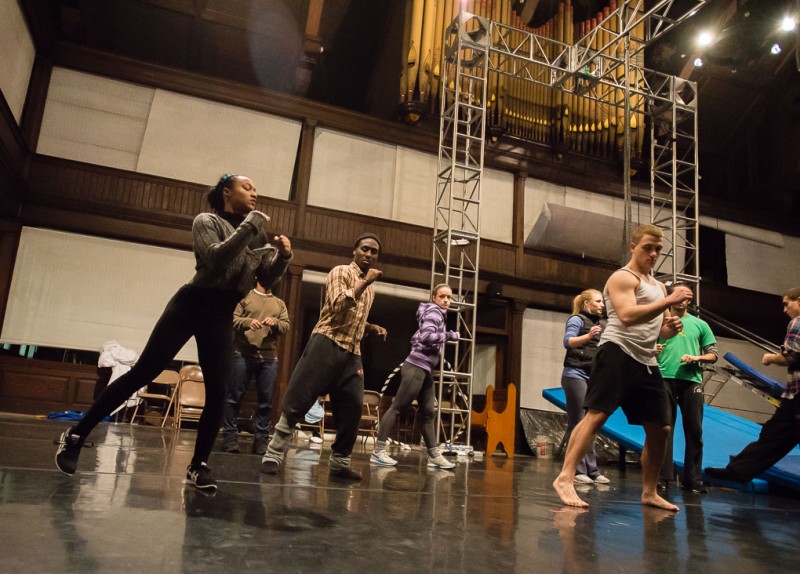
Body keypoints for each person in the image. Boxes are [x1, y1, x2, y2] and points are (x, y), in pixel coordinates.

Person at [55, 174, 292, 491]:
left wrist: (283, 258)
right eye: (247, 187)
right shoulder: (206, 221)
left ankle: (199, 466)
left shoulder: (256, 231)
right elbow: (216, 258)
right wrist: (250, 226)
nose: (254, 193)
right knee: (142, 373)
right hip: (191, 305)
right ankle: (75, 435)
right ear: (227, 192)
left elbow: (266, 277)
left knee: (218, 392)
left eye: (255, 189)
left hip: (221, 313)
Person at [552, 223, 693, 510]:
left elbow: (659, 330)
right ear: (633, 247)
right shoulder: (622, 277)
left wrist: (671, 327)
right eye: (647, 248)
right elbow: (627, 316)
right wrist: (669, 300)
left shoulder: (658, 286)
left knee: (661, 428)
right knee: (596, 416)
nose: (653, 254)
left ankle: (649, 491)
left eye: (658, 250)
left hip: (646, 360)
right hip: (616, 352)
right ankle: (565, 478)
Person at [260, 233, 388, 480]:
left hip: (352, 352)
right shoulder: (341, 272)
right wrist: (365, 282)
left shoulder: (370, 290)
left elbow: (354, 318)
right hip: (326, 343)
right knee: (299, 398)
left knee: (352, 408)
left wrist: (370, 327)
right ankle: (273, 454)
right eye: (365, 249)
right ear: (354, 251)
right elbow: (338, 304)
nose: (369, 254)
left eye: (374, 252)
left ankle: (339, 463)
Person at [704, 287, 800, 484]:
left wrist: (771, 358)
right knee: (777, 435)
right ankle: (738, 471)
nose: (785, 310)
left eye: (786, 304)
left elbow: (791, 357)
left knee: (774, 435)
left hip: (797, 395)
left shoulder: (797, 322)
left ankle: (737, 471)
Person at [370, 284, 459, 470]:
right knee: (397, 407)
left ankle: (433, 455)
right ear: (434, 297)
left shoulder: (438, 314)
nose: (446, 300)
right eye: (442, 296)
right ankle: (378, 451)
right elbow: (426, 336)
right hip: (417, 367)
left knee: (429, 412)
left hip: (425, 369)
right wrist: (450, 335)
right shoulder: (434, 312)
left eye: (449, 297)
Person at [656, 282, 718, 494]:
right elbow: (644, 346)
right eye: (681, 295)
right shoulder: (660, 322)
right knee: (664, 429)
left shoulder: (700, 324)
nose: (685, 299)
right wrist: (654, 349)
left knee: (694, 430)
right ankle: (662, 478)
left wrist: (697, 357)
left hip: (691, 381)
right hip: (664, 378)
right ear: (671, 297)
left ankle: (692, 480)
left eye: (688, 296)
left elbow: (713, 354)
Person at [221, 276, 290, 456]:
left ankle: (261, 439)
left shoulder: (279, 303)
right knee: (234, 397)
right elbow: (233, 319)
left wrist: (275, 323)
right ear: (258, 275)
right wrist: (248, 322)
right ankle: (229, 437)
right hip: (243, 353)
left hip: (269, 357)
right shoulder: (245, 297)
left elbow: (286, 326)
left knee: (266, 401)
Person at [561, 289, 610, 485]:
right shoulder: (577, 320)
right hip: (575, 374)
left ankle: (593, 470)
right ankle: (577, 469)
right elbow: (568, 341)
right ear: (586, 304)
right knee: (578, 422)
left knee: (591, 424)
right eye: (598, 301)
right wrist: (588, 337)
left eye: (603, 302)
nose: (602, 305)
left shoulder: (601, 324)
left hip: (593, 377)